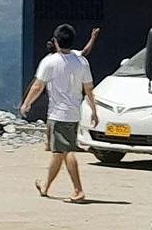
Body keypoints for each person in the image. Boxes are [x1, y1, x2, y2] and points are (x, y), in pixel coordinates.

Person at [20, 23, 98, 204]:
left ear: (55, 41)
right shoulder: (81, 61)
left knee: (66, 150)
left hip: (59, 114)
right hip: (73, 113)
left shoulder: (49, 61)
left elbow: (38, 85)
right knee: (59, 151)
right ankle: (46, 185)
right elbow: (88, 88)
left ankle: (78, 190)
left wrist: (26, 103)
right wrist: (94, 111)